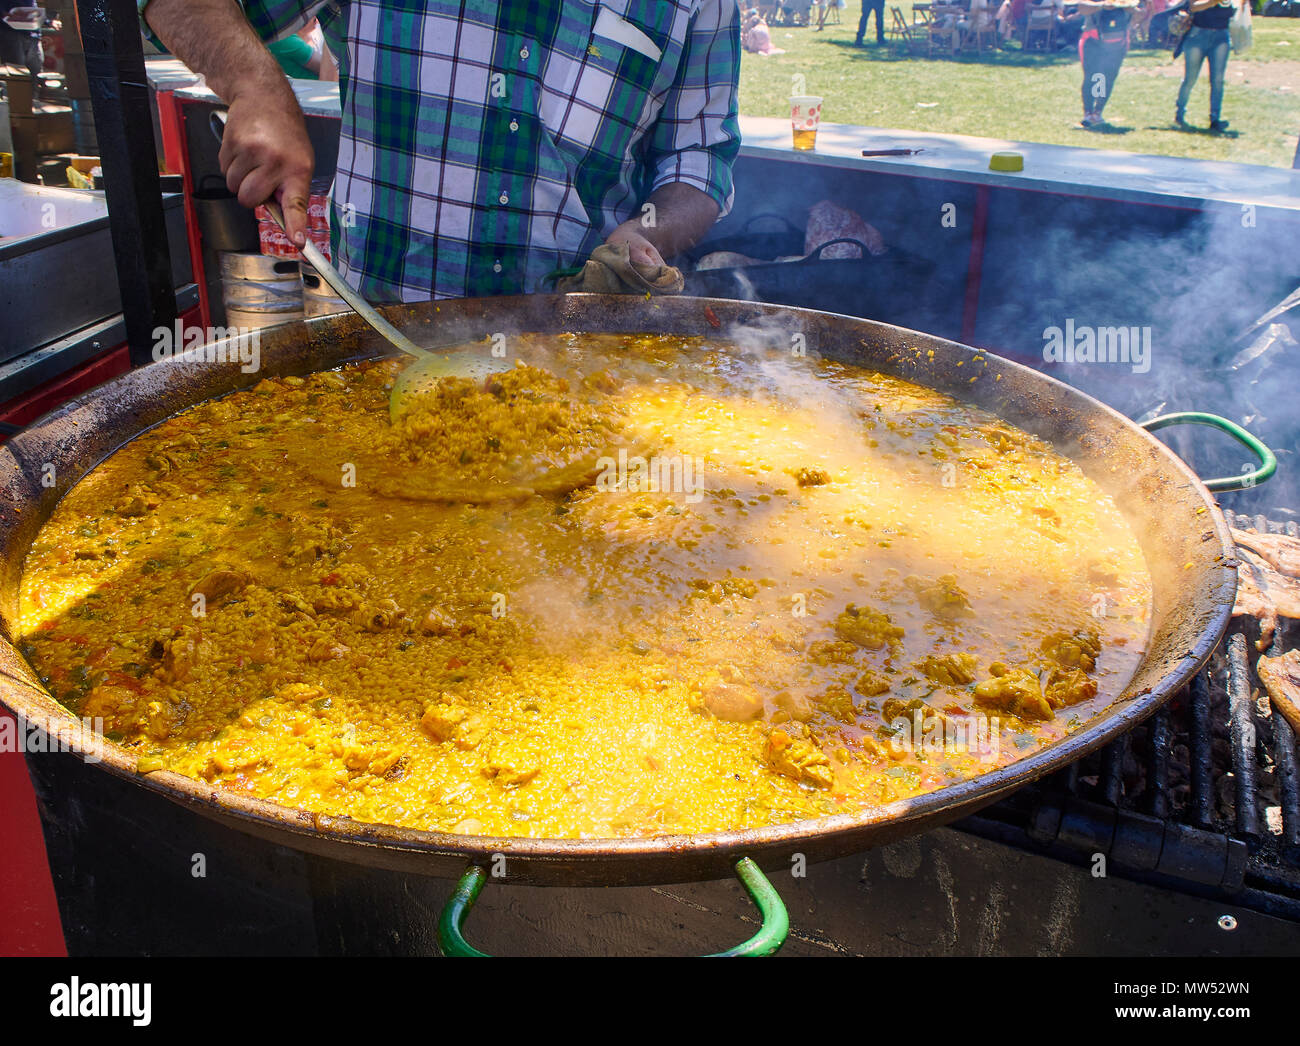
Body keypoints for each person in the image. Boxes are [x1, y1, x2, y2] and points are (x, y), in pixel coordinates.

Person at [141, 0, 740, 304]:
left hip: (579, 361)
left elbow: (699, 157)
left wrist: (643, 238)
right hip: (378, 338)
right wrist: (256, 87)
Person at [1175, 0, 1235, 132]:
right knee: (1190, 78)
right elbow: (1194, 6)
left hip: (1221, 34)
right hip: (1198, 34)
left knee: (1218, 80)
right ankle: (1179, 113)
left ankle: (1215, 119)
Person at [1076, 0, 1133, 128]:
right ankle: (1088, 112)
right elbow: (1082, 8)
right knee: (1093, 77)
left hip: (1117, 43)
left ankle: (1098, 112)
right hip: (1093, 40)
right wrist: (1102, 5)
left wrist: (1132, 8)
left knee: (1106, 78)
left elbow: (1140, 14)